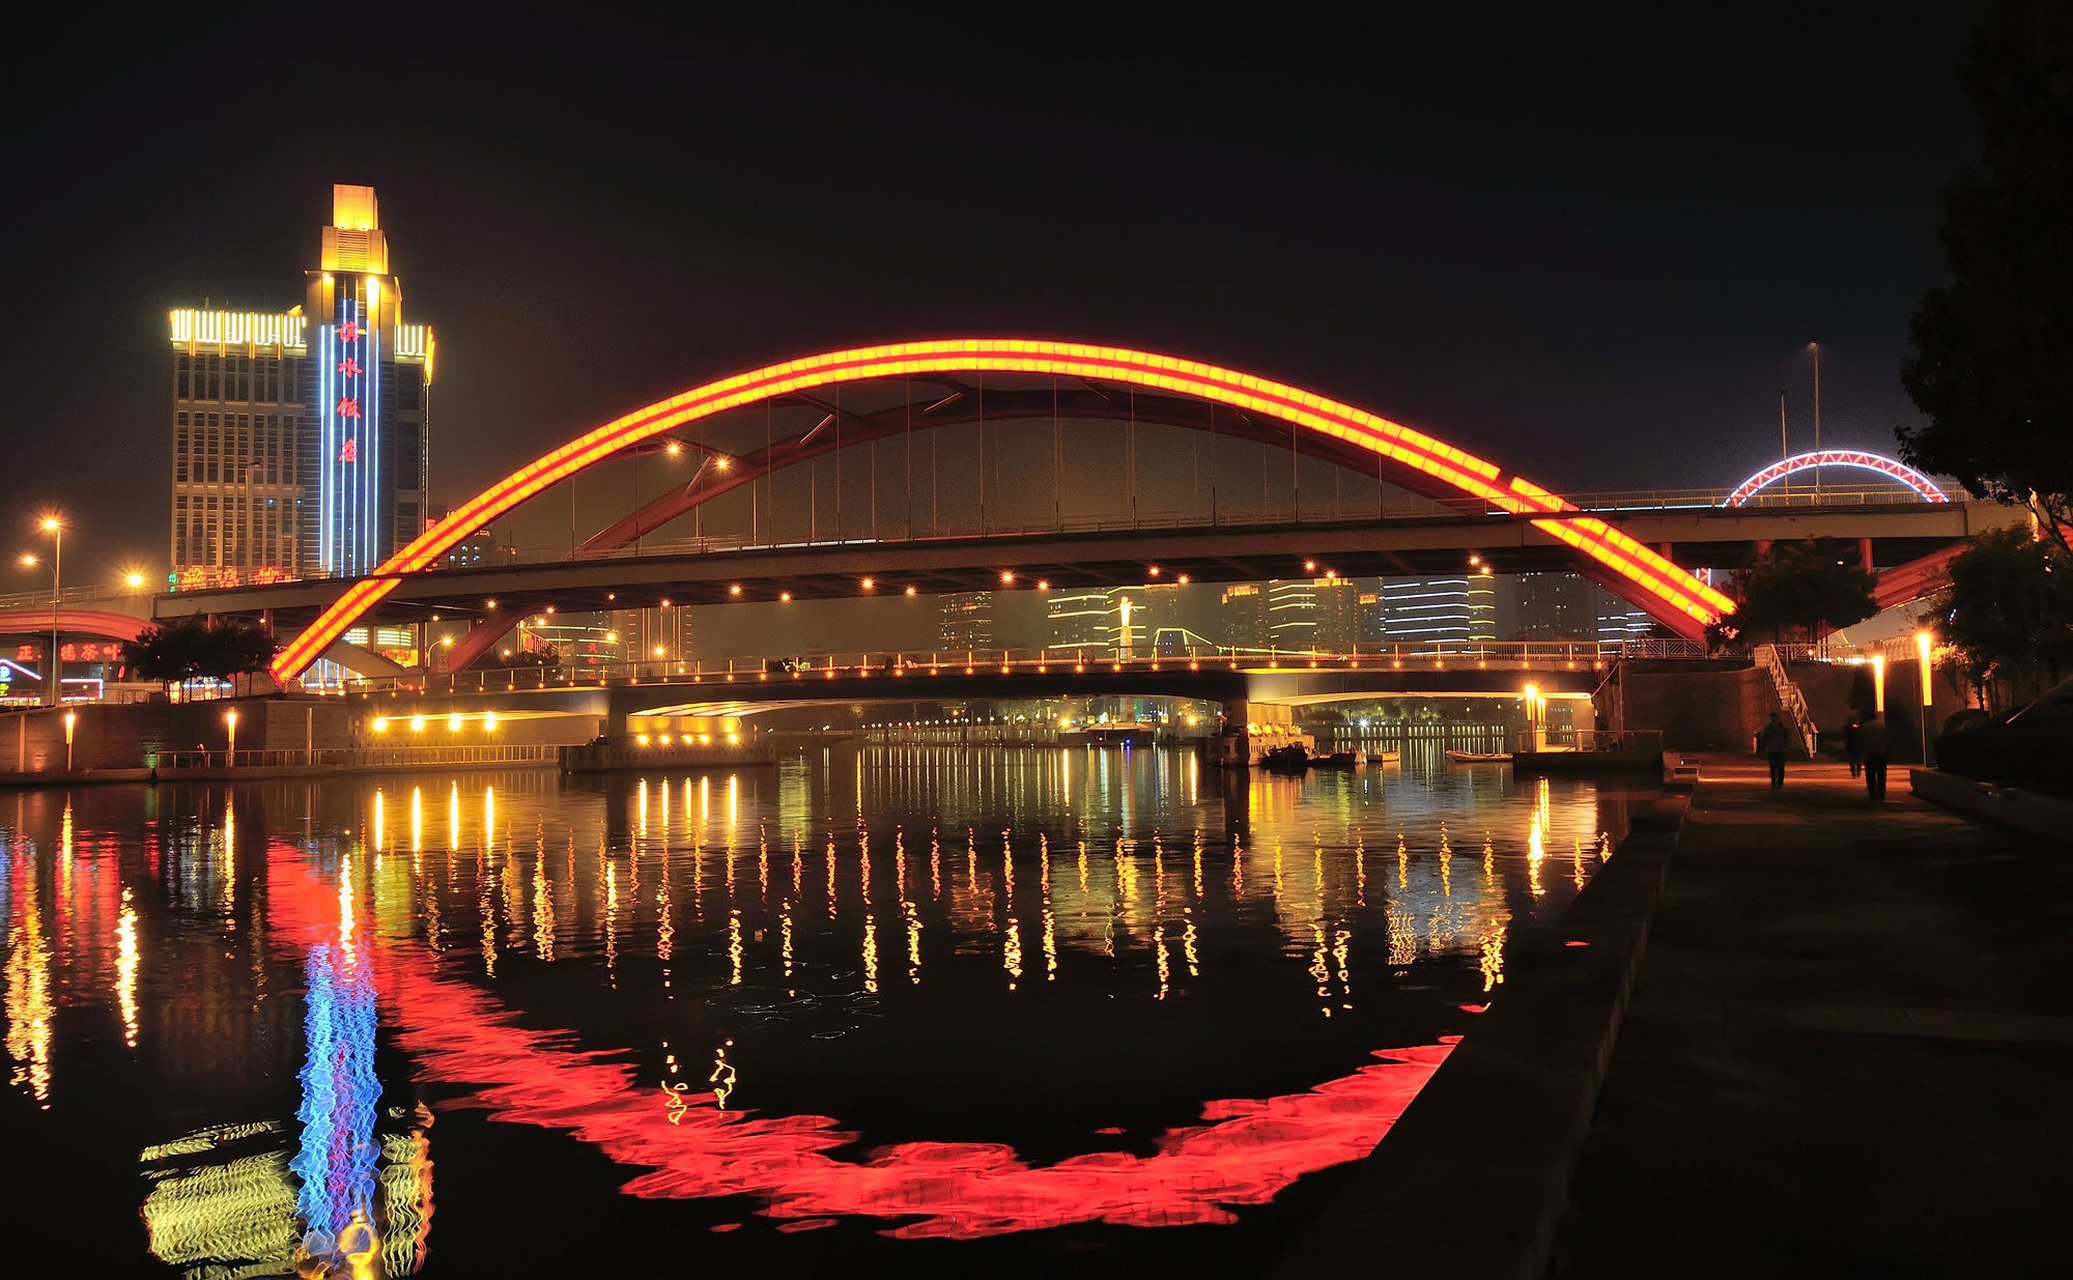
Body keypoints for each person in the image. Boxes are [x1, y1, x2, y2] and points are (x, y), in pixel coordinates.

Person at [1858, 712, 1891, 801]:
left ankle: (1872, 793)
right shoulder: (1881, 725)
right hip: (1881, 752)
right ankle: (1881, 793)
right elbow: (1887, 738)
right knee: (1881, 774)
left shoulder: (1864, 727)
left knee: (1870, 774)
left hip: (1869, 753)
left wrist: (1862, 751)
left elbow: (1860, 740)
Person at [1757, 712, 1792, 788]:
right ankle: (1774, 782)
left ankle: (1780, 782)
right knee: (1773, 767)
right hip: (1772, 750)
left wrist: (1786, 745)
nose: (1774, 720)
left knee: (1780, 767)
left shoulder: (1782, 728)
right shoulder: (1768, 728)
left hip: (1780, 750)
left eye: (1775, 718)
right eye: (1773, 718)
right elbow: (1764, 738)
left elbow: (1788, 737)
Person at [1843, 714, 1863, 778]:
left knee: (1852, 761)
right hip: (1858, 746)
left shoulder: (1847, 728)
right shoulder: (1860, 728)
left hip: (1850, 746)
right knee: (1858, 761)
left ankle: (1854, 774)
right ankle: (1858, 773)